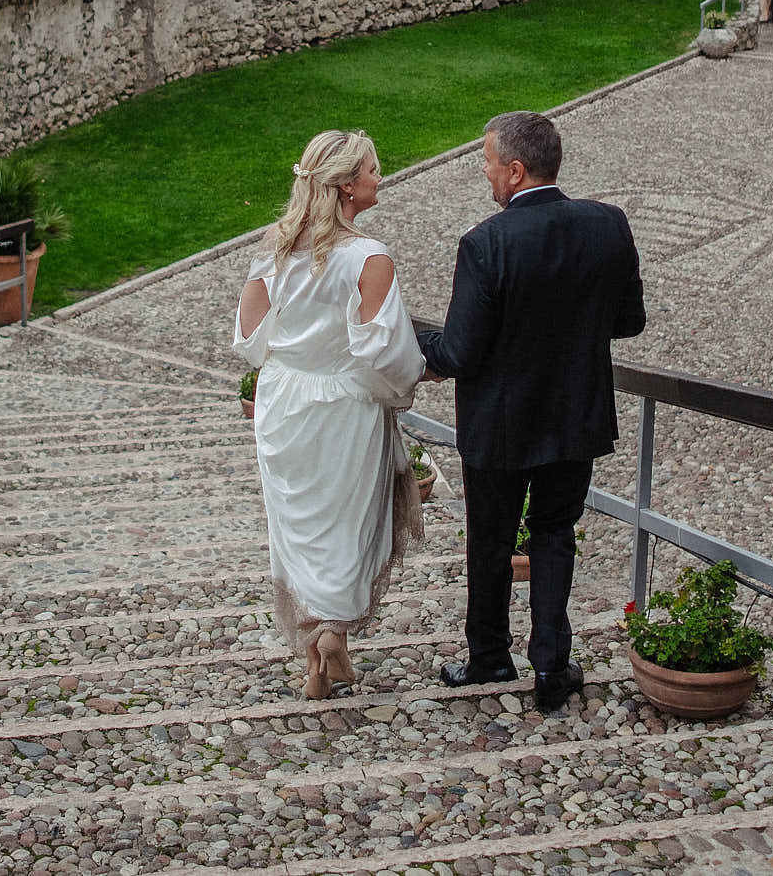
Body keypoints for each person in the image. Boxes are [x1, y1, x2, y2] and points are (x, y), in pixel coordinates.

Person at [417, 110, 645, 711]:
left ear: (515, 171)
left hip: (499, 422)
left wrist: (403, 333)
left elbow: (459, 351)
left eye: (489, 165)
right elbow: (630, 321)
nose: (486, 177)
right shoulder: (608, 225)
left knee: (490, 541)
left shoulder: (486, 243)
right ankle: (550, 664)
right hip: (576, 412)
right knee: (553, 533)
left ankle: (489, 657)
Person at [233, 129, 426, 699]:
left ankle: (318, 636)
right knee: (349, 523)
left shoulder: (271, 251)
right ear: (346, 186)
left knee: (299, 525)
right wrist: (405, 383)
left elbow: (248, 339)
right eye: (372, 169)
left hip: (284, 402)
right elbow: (382, 351)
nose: (380, 177)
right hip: (343, 402)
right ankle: (332, 633)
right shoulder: (369, 257)